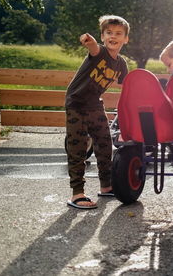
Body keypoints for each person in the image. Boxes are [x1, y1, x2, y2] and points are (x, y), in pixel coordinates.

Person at [65, 15, 130, 209]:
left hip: (95, 104)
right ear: (102, 36)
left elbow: (127, 87)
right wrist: (89, 41)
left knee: (104, 144)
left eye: (118, 33)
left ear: (126, 39)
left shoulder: (121, 64)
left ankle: (106, 186)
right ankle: (77, 193)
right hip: (76, 103)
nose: (113, 36)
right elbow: (93, 47)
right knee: (78, 147)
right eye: (109, 32)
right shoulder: (99, 52)